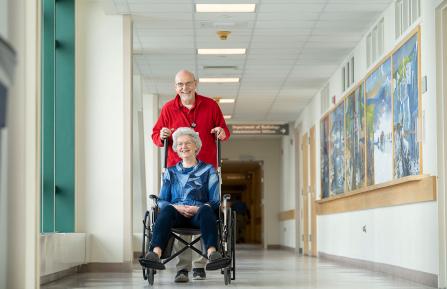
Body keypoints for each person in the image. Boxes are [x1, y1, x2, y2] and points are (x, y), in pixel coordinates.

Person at [151, 69, 230, 282]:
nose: (184, 88)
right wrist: (162, 135)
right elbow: (156, 136)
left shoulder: (210, 105)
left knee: (202, 209)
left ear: (195, 84)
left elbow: (223, 130)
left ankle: (200, 264)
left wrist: (221, 132)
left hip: (205, 169)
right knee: (175, 210)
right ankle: (182, 267)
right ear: (175, 86)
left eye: (187, 83)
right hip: (177, 169)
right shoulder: (169, 108)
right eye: (179, 84)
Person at [144, 128, 230, 274]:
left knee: (207, 209)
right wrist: (176, 207)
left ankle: (212, 253)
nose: (183, 146)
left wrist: (199, 208)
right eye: (180, 144)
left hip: (200, 215)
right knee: (167, 209)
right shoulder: (170, 172)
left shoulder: (209, 170)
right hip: (176, 215)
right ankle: (155, 253)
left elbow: (215, 200)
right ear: (176, 149)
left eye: (188, 143)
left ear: (196, 146)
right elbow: (162, 200)